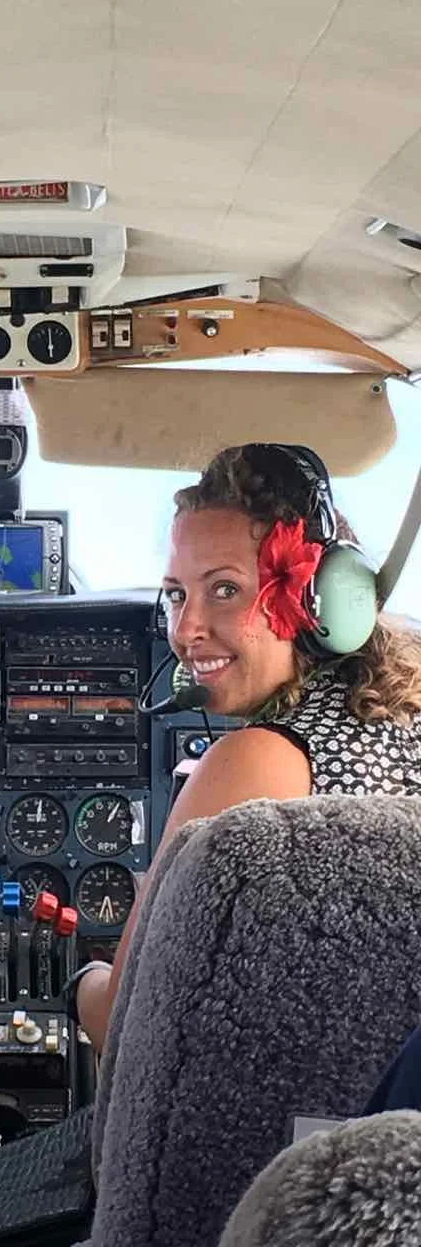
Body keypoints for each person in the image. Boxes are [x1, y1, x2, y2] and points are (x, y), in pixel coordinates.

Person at [75, 442, 421, 1050]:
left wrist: (78, 980)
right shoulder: (404, 713)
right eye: (176, 594)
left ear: (317, 599)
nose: (186, 630)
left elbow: (121, 1023)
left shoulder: (258, 759)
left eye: (225, 590)